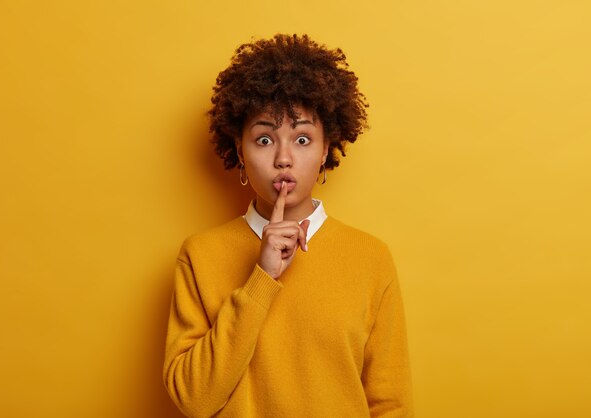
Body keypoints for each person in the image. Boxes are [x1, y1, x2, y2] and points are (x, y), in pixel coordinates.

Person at [163, 34, 413, 417]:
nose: (283, 158)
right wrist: (261, 277)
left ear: (326, 147)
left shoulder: (370, 258)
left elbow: (390, 402)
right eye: (264, 139)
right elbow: (195, 401)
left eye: (301, 138)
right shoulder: (199, 255)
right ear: (240, 149)